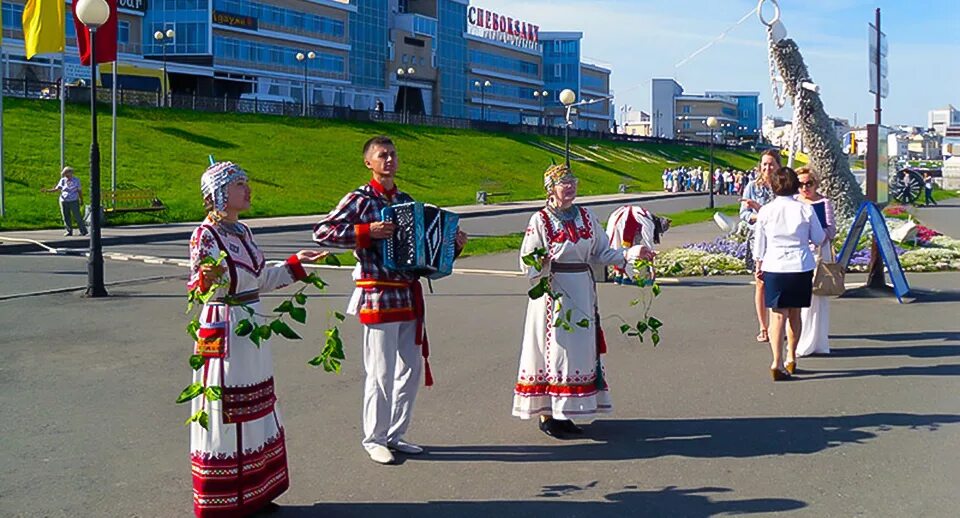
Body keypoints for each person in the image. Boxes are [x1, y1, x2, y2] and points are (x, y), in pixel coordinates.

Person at [313, 135, 468, 465]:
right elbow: (323, 232)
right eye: (382, 155)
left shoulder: (408, 201)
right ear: (368, 162)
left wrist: (454, 245)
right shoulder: (360, 199)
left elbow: (427, 255)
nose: (389, 160)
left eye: (393, 154)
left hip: (408, 296)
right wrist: (367, 231)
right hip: (378, 294)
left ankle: (396, 433)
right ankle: (374, 438)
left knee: (409, 371)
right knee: (380, 372)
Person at [187, 161, 329, 517]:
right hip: (223, 327)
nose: (247, 191)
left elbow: (260, 279)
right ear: (217, 193)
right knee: (224, 408)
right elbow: (201, 286)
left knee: (255, 408)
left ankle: (254, 493)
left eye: (246, 183)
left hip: (252, 328)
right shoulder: (205, 235)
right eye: (239, 185)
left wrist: (298, 265)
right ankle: (223, 500)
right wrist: (207, 278)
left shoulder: (244, 232)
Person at [513, 164, 653, 438]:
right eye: (564, 182)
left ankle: (567, 412)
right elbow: (526, 261)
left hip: (582, 293)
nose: (570, 186)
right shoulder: (540, 220)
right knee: (556, 351)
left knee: (578, 353)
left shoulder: (586, 217)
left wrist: (633, 252)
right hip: (553, 294)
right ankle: (548, 414)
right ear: (550, 188)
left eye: (572, 181)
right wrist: (539, 261)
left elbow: (602, 253)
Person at [753, 166, 826, 380]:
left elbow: (760, 242)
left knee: (777, 315)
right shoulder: (805, 209)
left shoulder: (766, 210)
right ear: (795, 185)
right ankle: (791, 357)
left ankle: (776, 361)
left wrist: (758, 264)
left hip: (774, 264)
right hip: (800, 264)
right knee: (795, 313)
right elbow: (819, 237)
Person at [796, 167, 836, 357]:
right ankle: (801, 339)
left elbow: (831, 229)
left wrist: (817, 236)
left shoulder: (823, 203)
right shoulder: (794, 203)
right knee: (801, 299)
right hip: (801, 252)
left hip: (820, 252)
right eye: (801, 184)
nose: (805, 188)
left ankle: (818, 341)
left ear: (815, 184)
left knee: (818, 298)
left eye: (809, 184)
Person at [741, 150, 779, 343]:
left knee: (778, 283)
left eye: (771, 164)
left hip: (779, 241)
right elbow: (744, 215)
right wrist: (758, 215)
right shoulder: (752, 187)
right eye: (764, 164)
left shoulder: (783, 186)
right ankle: (763, 327)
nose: (767, 168)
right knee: (761, 283)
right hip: (760, 241)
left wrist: (761, 211)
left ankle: (777, 324)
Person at [41, 166, 87, 237]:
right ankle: (68, 231)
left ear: (71, 173)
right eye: (65, 174)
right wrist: (47, 190)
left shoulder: (76, 180)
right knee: (65, 216)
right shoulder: (63, 180)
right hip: (64, 200)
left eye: (67, 174)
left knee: (77, 216)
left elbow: (79, 191)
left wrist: (81, 200)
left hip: (73, 200)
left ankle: (83, 230)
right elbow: (57, 189)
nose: (66, 176)